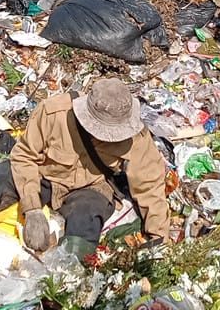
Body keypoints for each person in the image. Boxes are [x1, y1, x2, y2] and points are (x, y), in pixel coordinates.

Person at [10, 78, 170, 258]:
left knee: (85, 219)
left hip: (91, 188)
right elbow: (24, 155)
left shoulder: (137, 138)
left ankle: (69, 275)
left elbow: (150, 187)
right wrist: (32, 209)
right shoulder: (54, 113)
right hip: (47, 178)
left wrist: (159, 241)